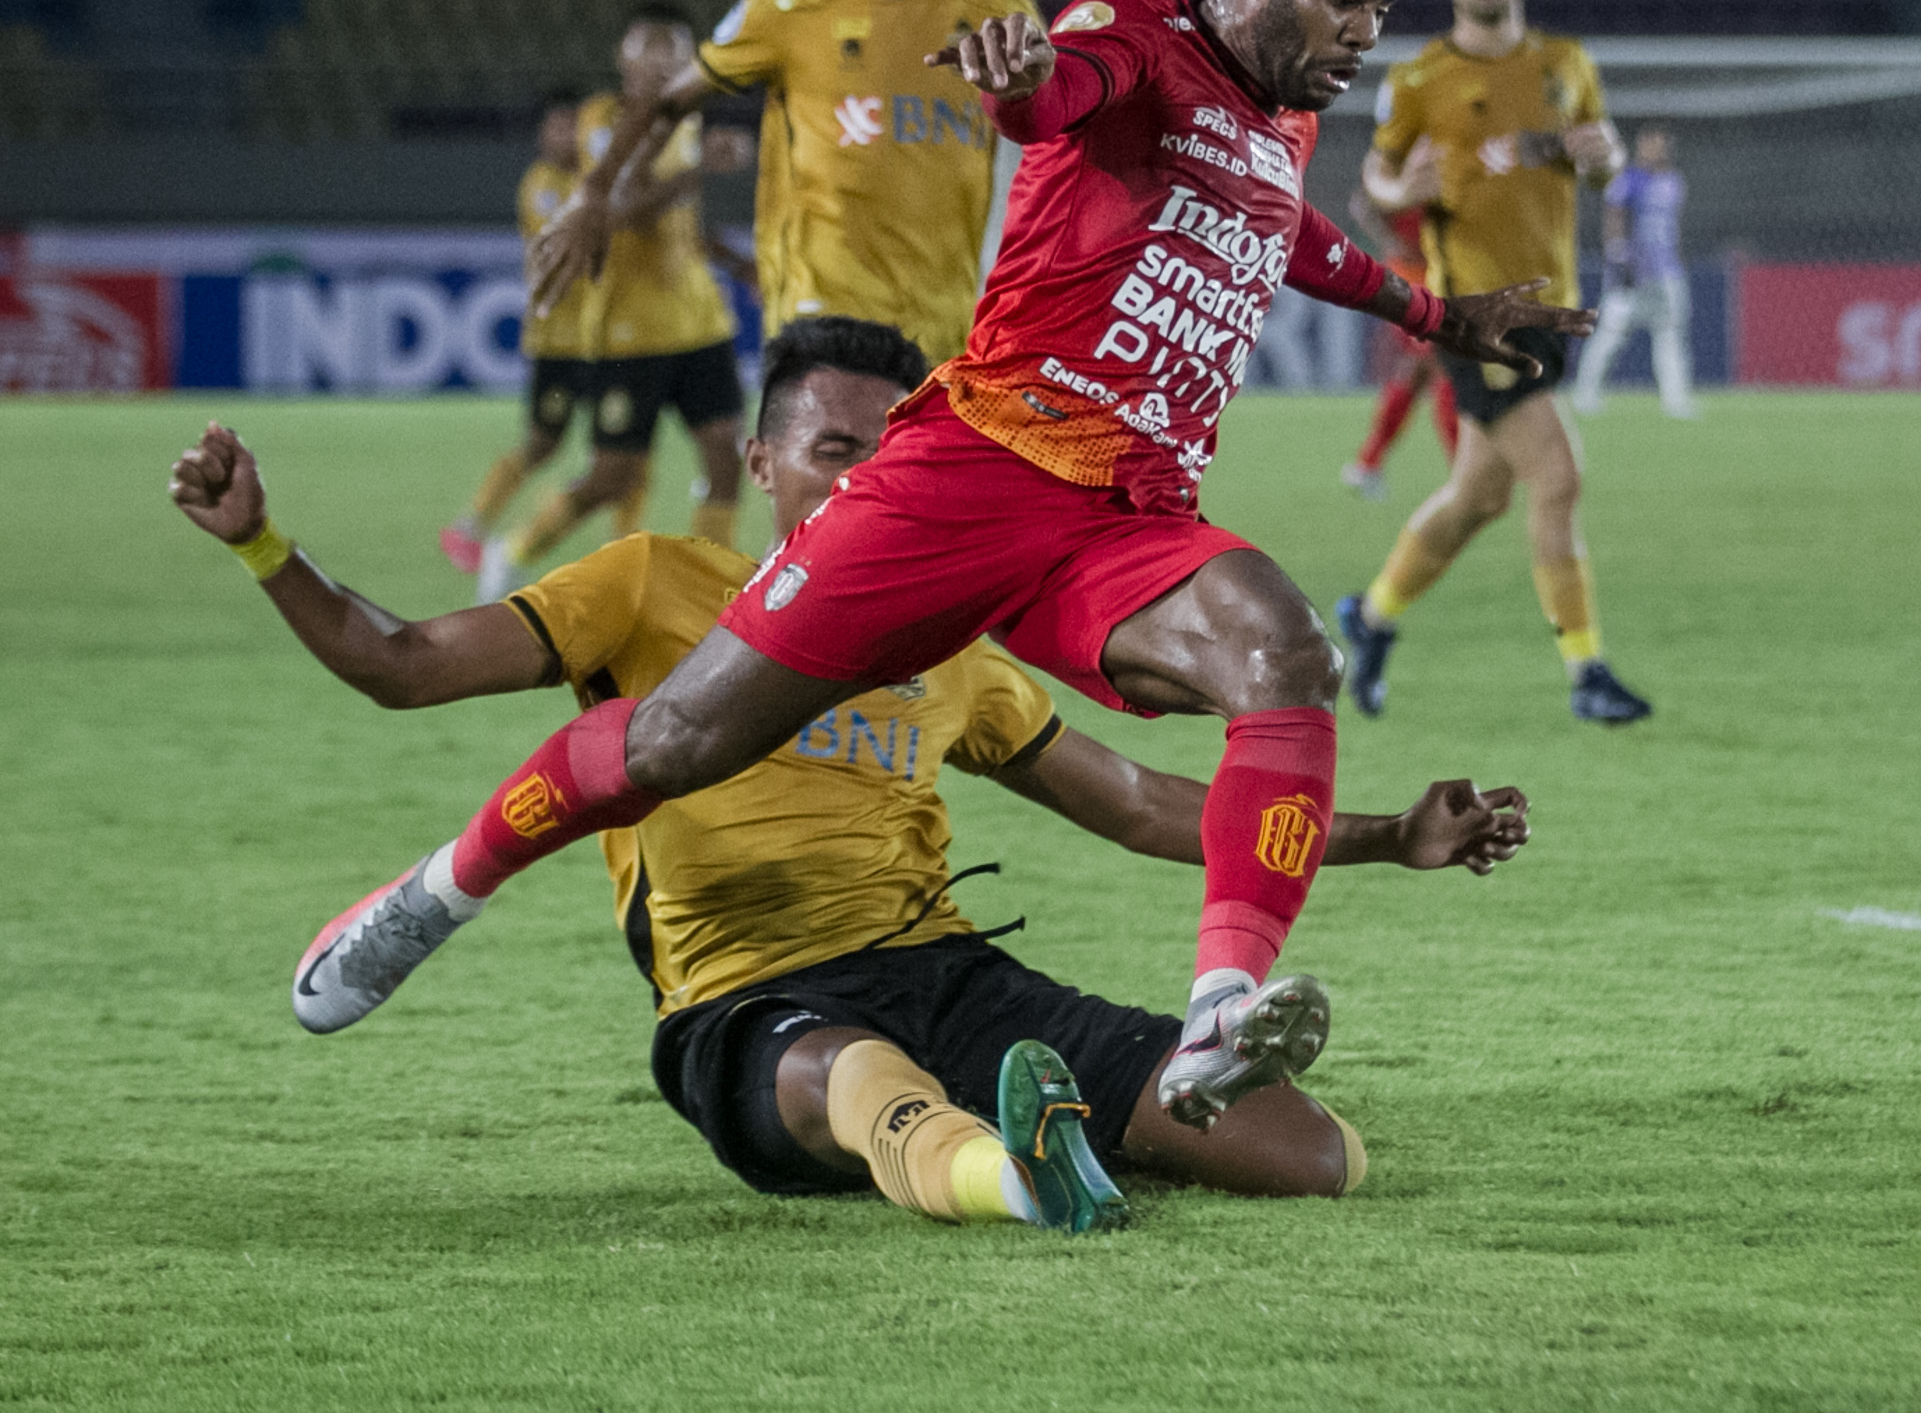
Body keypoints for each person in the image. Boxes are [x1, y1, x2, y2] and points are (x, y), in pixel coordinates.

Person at [341, 0, 1582, 1140]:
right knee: (673, 747)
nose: (1367, 33)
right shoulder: (1130, 37)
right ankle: (440, 887)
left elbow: (1290, 234)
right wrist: (1017, 81)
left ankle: (1220, 1013)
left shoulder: (1284, 121)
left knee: (1285, 646)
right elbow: (1059, 92)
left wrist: (1442, 313)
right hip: (973, 473)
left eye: (1383, 7)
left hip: (1122, 521)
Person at [167, 317, 1532, 1230]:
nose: (868, 479)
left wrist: (1379, 835)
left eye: (896, 452)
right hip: (745, 1004)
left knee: (1313, 1158)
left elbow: (1126, 797)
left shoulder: (955, 623)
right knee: (855, 1074)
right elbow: (399, 661)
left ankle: (1079, 1120)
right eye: (833, 451)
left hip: (946, 970)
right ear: (757, 461)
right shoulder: (652, 585)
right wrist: (265, 544)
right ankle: (1018, 1172)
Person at [536, 0, 1037, 366]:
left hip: (951, 342)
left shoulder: (1004, 17)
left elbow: (1050, 150)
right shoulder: (786, 9)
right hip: (818, 330)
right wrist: (598, 190)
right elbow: (670, 100)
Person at [1338, 0, 1652, 727]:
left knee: (1477, 496)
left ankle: (1368, 620)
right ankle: (1586, 673)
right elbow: (1373, 180)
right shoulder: (1418, 81)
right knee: (1559, 475)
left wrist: (1604, 157)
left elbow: (1601, 161)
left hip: (1555, 309)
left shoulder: (1567, 63)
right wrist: (1396, 189)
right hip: (1474, 318)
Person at [477, 3, 752, 600]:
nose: (664, 60)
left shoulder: (685, 122)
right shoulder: (600, 121)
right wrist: (699, 169)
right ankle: (514, 548)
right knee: (611, 477)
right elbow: (618, 210)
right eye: (650, 45)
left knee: (727, 456)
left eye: (676, 48)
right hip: (630, 330)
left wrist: (738, 264)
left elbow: (684, 224)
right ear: (623, 57)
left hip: (700, 320)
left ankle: (714, 593)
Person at [441, 90, 640, 574]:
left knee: (625, 450)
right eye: (556, 127)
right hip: (560, 342)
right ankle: (472, 525)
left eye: (573, 127)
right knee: (543, 443)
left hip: (604, 338)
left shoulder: (594, 181)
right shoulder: (543, 186)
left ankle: (626, 547)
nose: (565, 136)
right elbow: (575, 238)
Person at [1338, 185, 1459, 501]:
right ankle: (1463, 470)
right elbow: (1362, 202)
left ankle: (1366, 464)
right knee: (1440, 363)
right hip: (1408, 277)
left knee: (1418, 372)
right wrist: (1390, 241)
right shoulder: (1406, 157)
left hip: (1438, 275)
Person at [1572, 124, 1696, 419]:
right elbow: (1614, 218)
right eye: (1652, 143)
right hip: (1633, 272)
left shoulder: (1673, 182)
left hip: (1666, 273)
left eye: (1662, 144)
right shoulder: (1629, 179)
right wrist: (1618, 257)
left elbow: (1674, 229)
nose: (1658, 149)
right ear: (1641, 145)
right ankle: (1586, 393)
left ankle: (1675, 399)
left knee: (1671, 333)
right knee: (1611, 334)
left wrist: (1677, 263)